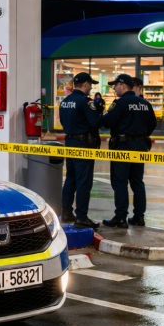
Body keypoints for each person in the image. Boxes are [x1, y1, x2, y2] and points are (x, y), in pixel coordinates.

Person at [101, 74, 157, 228]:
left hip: (123, 146)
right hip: (140, 146)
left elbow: (107, 122)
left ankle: (120, 217)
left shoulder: (120, 103)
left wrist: (104, 114)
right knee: (137, 182)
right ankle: (139, 216)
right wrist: (142, 135)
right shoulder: (145, 103)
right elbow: (153, 123)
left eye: (116, 85)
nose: (114, 88)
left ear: (123, 85)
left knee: (120, 182)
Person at [59, 72, 103, 228]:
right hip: (83, 145)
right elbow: (95, 122)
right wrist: (102, 113)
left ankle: (66, 212)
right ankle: (81, 217)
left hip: (69, 142)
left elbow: (62, 121)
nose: (91, 88)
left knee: (70, 178)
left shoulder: (65, 101)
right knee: (83, 181)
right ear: (85, 84)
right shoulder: (86, 101)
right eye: (90, 84)